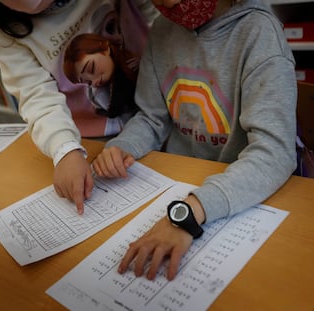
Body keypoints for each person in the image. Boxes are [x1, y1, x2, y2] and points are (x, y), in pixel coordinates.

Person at [92, 0, 297, 281]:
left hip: (240, 194)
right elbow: (152, 117)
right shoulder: (163, 31)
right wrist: (122, 145)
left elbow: (274, 151)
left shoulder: (259, 34)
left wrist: (190, 212)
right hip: (183, 182)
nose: (167, 3)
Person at [0, 0, 159, 214]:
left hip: (157, 109)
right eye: (85, 81)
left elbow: (157, 15)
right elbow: (34, 94)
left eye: (92, 69)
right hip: (89, 139)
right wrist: (64, 149)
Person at [63, 32, 139, 119]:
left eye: (91, 68)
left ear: (105, 49)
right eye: (88, 82)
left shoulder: (132, 50)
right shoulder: (101, 95)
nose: (95, 82)